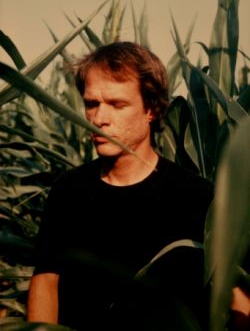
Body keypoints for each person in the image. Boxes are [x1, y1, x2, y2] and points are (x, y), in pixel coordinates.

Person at [27, 41, 215, 330]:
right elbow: (46, 280)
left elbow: (234, 295)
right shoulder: (68, 190)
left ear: (151, 108)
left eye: (117, 104)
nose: (99, 119)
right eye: (92, 104)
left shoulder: (196, 196)